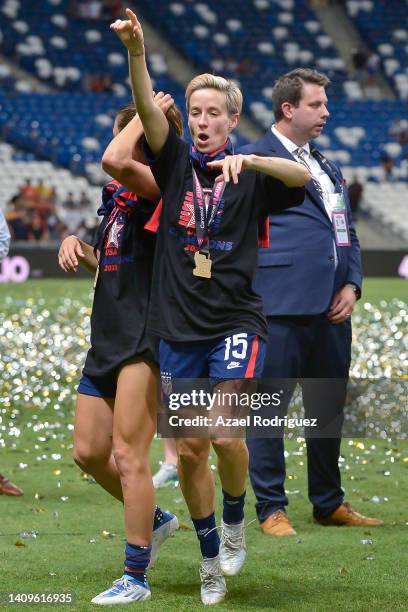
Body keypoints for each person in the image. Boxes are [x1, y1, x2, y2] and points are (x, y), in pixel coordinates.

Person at [110, 9, 309, 606]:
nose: (201, 122)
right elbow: (147, 111)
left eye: (211, 113)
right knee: (192, 449)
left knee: (224, 434)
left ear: (233, 119)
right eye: (193, 113)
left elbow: (299, 177)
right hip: (180, 328)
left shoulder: (248, 173)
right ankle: (208, 560)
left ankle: (235, 519)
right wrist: (138, 54)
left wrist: (250, 161)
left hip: (237, 320)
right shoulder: (173, 164)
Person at [241, 68, 383, 537]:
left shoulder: (325, 164)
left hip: (332, 309)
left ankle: (328, 501)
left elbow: (346, 232)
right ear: (289, 109)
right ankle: (271, 508)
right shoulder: (254, 159)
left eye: (324, 103)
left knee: (328, 409)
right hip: (278, 305)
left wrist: (353, 284)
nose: (326, 111)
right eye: (317, 104)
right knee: (268, 408)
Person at [58, 95, 183, 606]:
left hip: (143, 337)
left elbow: (115, 159)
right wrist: (79, 247)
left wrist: (143, 125)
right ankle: (155, 519)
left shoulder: (162, 187)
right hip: (106, 335)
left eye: (132, 132)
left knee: (131, 456)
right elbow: (116, 263)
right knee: (87, 452)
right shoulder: (117, 200)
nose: (122, 139)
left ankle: (136, 576)